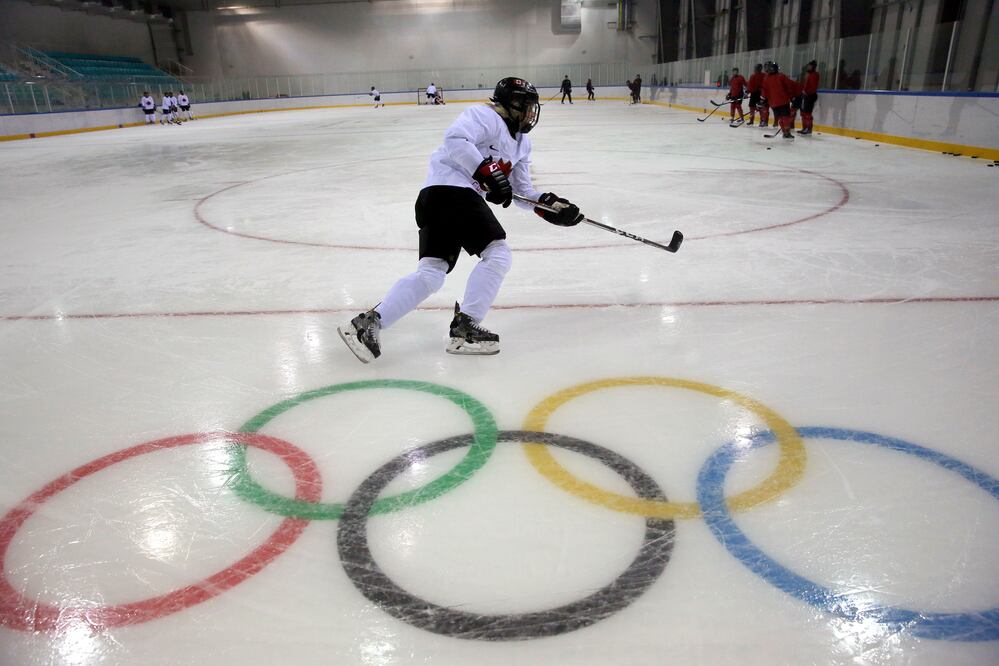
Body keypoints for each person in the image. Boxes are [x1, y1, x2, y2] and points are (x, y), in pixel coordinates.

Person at [338, 77, 584, 362]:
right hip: (450, 190)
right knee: (498, 253)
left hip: (438, 199)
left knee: (431, 274)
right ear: (509, 103)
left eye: (533, 107)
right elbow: (455, 139)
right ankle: (465, 328)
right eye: (525, 106)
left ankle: (367, 324)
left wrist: (551, 207)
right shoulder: (485, 116)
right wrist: (485, 171)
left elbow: (521, 192)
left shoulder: (522, 144)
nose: (530, 113)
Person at [760, 61, 796, 139]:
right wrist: (792, 97)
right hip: (782, 102)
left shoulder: (769, 78)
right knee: (784, 117)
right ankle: (787, 132)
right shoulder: (780, 76)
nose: (767, 70)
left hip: (774, 103)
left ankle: (785, 132)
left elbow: (764, 91)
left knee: (781, 118)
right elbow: (789, 88)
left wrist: (763, 99)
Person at [799, 61, 819, 135]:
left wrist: (806, 92)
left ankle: (808, 128)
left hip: (810, 96)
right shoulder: (808, 74)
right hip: (805, 95)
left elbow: (812, 87)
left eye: (810, 66)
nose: (808, 67)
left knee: (807, 113)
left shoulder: (814, 75)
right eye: (808, 66)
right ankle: (805, 128)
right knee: (803, 112)